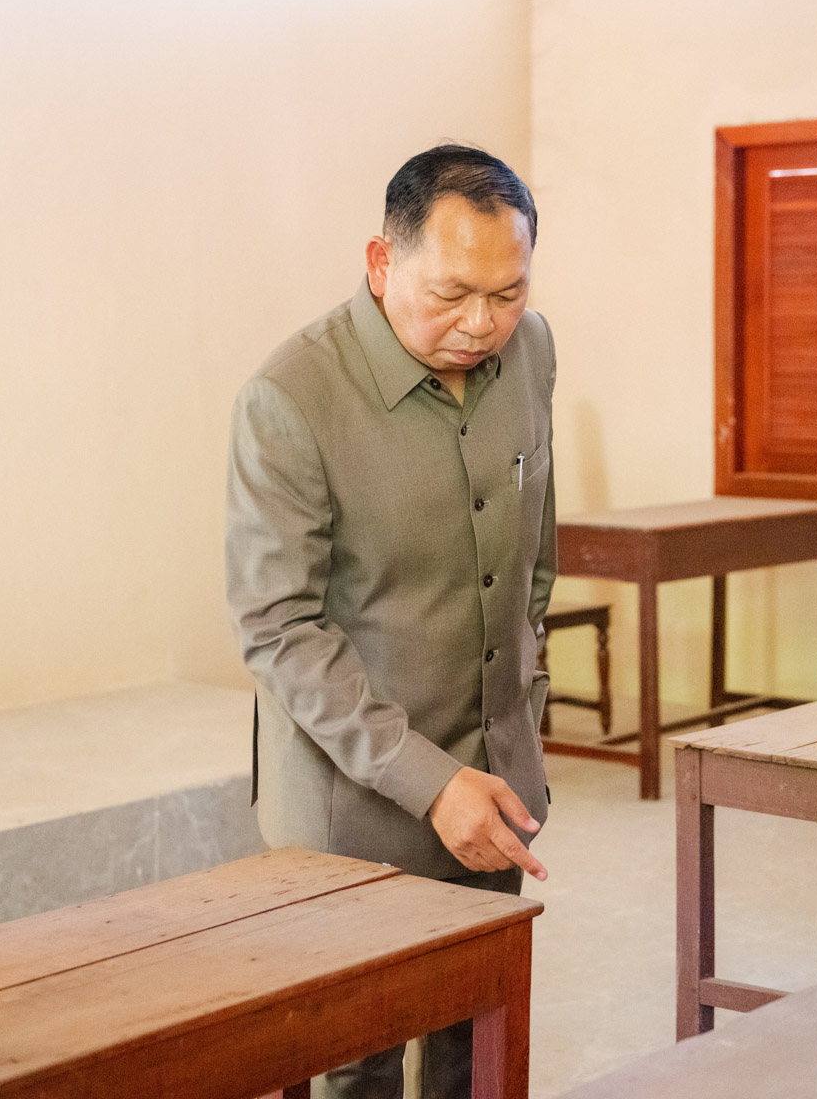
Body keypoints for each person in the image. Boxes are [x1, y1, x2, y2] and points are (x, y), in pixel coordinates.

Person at [225, 143, 555, 1099]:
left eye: (508, 292)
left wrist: (524, 709)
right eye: (452, 294)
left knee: (476, 1052)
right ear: (381, 262)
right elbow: (279, 629)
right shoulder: (291, 399)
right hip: (353, 808)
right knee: (356, 1068)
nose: (482, 323)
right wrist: (430, 781)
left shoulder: (531, 349)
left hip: (494, 786)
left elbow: (534, 552)